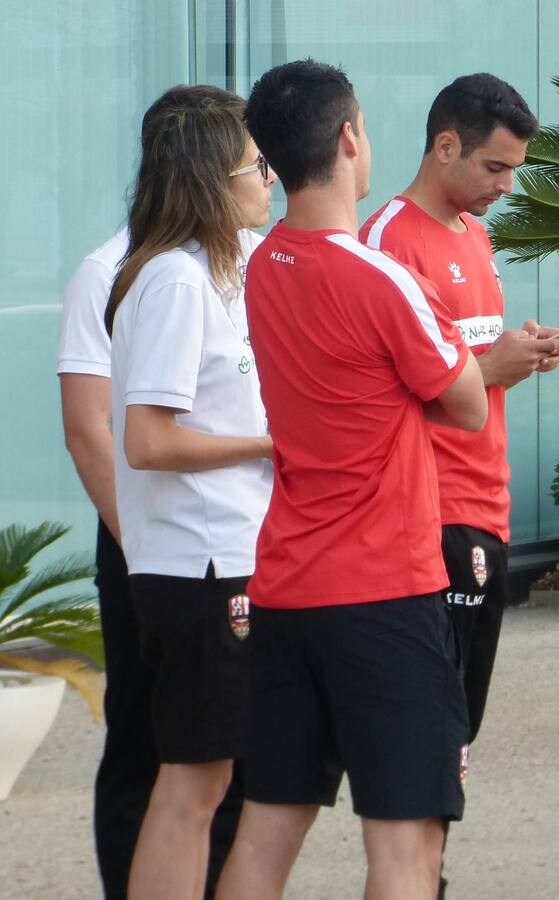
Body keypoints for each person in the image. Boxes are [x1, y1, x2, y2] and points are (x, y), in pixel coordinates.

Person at [215, 60, 488, 900]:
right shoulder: (378, 275)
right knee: (406, 849)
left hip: (289, 589)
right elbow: (468, 403)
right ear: (347, 139)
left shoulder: (264, 266)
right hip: (382, 598)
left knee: (264, 834)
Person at [359, 73, 559, 786]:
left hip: (487, 507)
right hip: (432, 511)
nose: (506, 186)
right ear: (445, 145)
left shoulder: (473, 235)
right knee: (433, 729)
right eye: (494, 167)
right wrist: (490, 364)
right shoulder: (386, 240)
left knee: (459, 731)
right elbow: (380, 394)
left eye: (514, 169)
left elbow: (456, 360)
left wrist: (515, 354)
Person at [104, 84, 275, 899]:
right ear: (213, 178)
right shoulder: (174, 280)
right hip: (198, 568)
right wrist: (274, 444)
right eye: (255, 165)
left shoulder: (223, 273)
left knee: (216, 781)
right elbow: (148, 441)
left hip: (227, 559)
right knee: (193, 785)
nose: (268, 179)